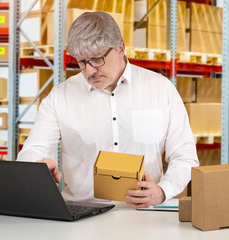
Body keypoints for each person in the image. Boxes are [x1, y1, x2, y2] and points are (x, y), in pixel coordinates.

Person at [17, 11, 199, 209]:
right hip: (82, 214)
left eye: (96, 60)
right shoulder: (60, 97)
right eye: (81, 62)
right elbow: (32, 150)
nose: (89, 71)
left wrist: (163, 191)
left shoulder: (161, 89)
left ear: (120, 48)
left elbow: (185, 156)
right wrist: (38, 166)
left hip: (144, 215)